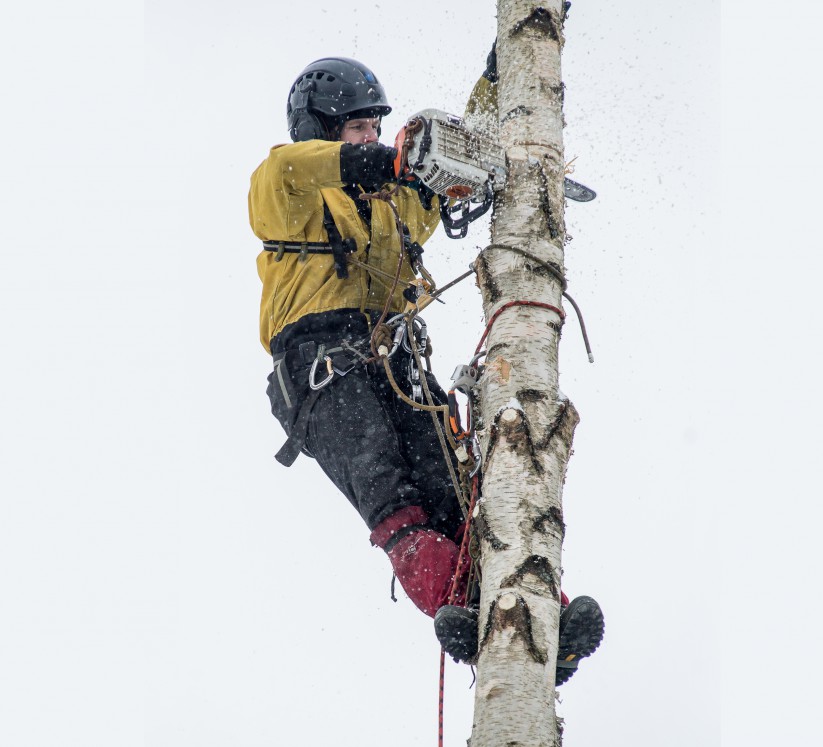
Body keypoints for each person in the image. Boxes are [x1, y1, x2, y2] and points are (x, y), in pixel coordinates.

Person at [249, 55, 603, 685]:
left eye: (374, 127)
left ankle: (541, 610)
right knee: (391, 491)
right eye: (357, 128)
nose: (370, 138)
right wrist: (393, 160)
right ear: (322, 131)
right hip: (320, 369)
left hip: (394, 357)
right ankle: (456, 604)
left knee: (462, 487)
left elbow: (460, 151)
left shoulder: (394, 206)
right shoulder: (285, 187)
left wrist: (497, 77)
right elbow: (310, 166)